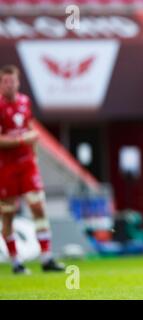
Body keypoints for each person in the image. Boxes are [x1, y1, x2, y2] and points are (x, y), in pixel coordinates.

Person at [0, 64, 65, 274]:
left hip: (27, 164)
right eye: (5, 81)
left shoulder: (24, 102)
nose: (9, 85)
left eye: (12, 81)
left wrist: (33, 155)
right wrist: (20, 140)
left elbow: (30, 131)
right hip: (6, 167)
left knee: (38, 207)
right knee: (8, 214)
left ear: (18, 82)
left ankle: (46, 258)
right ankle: (16, 262)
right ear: (1, 84)